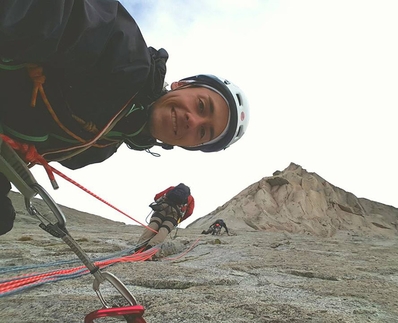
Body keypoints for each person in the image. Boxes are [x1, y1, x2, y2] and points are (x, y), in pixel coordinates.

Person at [0, 0, 249, 235]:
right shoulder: (125, 56)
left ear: (192, 147)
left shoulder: (100, 148)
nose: (193, 121)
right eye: (202, 106)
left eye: (203, 133)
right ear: (181, 85)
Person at [136, 183, 194, 252]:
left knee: (154, 224)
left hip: (162, 208)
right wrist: (180, 220)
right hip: (174, 213)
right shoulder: (190, 198)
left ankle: (139, 246)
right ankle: (150, 249)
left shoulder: (172, 188)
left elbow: (156, 197)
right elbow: (189, 212)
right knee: (164, 229)